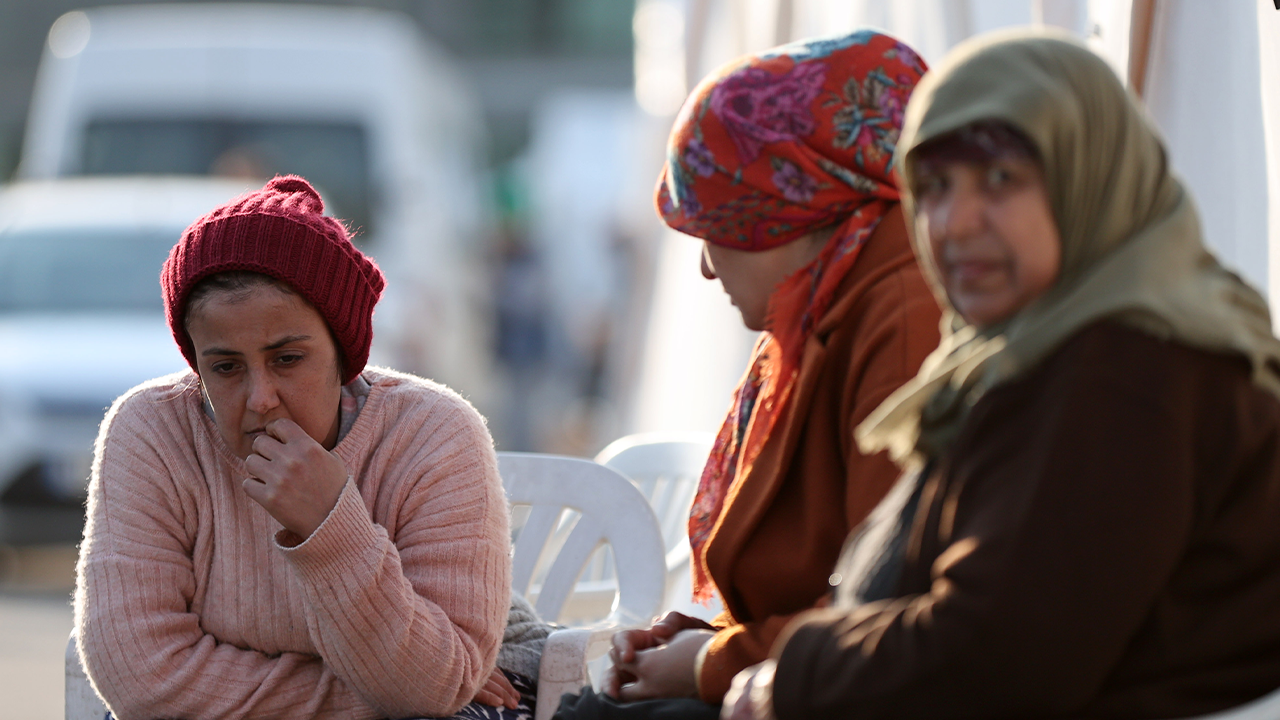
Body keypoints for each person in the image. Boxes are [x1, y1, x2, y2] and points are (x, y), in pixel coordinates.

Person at [722, 30, 1280, 720]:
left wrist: (791, 678)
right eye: (931, 188)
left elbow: (996, 659)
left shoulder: (1126, 373)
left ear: (1088, 174)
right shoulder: (1039, 356)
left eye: (1000, 179)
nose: (953, 223)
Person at [556, 29, 942, 720]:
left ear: (790, 212)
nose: (706, 266)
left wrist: (712, 662)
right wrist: (713, 644)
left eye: (717, 227)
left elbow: (895, 611)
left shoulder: (905, 320)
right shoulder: (831, 305)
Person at [74, 176, 517, 719]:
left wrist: (329, 525)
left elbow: (434, 687)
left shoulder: (435, 435)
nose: (260, 399)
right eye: (226, 368)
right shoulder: (152, 430)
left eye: (287, 359)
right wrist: (369, 695)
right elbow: (142, 679)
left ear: (343, 352)